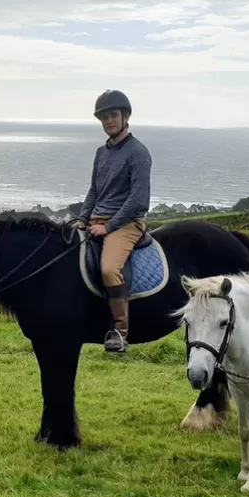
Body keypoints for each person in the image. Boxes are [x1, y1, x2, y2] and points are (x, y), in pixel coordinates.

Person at [73, 89, 153, 353]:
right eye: (104, 117)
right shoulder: (101, 152)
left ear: (126, 116)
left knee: (109, 269)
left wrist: (108, 226)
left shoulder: (138, 152)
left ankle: (120, 332)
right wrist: (82, 218)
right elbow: (95, 190)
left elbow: (138, 200)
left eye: (113, 115)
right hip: (96, 218)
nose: (109, 121)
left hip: (127, 223)